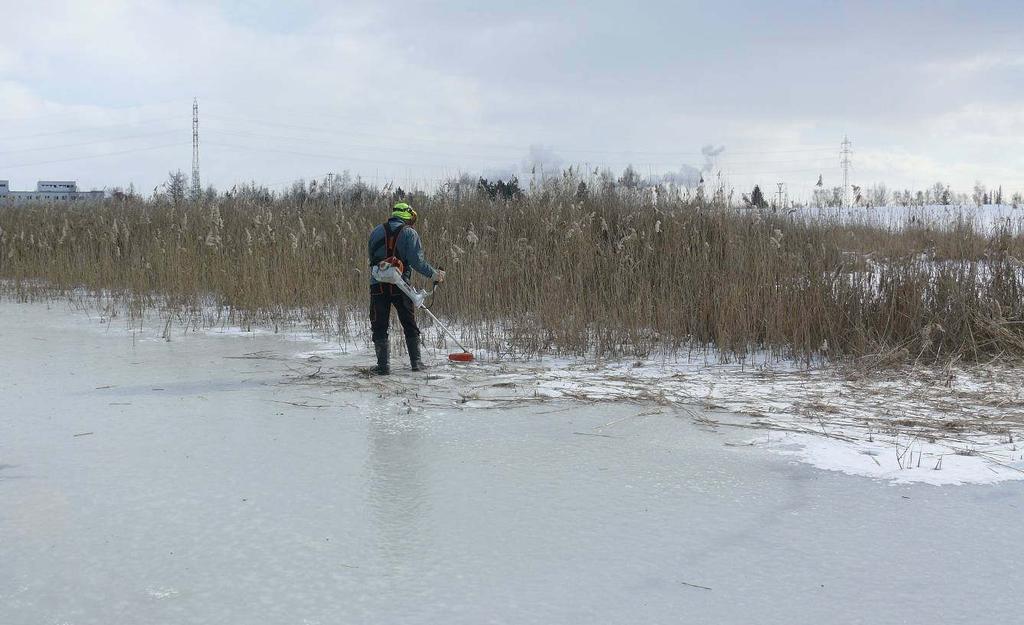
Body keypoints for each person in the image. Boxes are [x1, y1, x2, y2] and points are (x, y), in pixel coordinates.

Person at [367, 201, 445, 375]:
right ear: (408, 216)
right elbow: (417, 262)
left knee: (379, 325)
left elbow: (371, 259)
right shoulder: (410, 233)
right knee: (409, 323)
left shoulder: (376, 231)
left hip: (377, 285)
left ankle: (383, 367)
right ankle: (416, 363)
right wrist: (434, 275)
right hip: (401, 286)